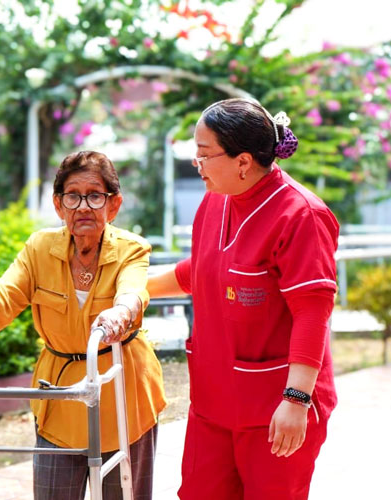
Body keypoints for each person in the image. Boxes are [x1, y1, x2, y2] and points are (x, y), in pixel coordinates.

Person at [0, 150, 166, 500]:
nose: (83, 206)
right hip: (60, 395)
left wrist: (119, 313)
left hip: (124, 395)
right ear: (58, 204)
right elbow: (5, 293)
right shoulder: (39, 248)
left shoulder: (132, 249)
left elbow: (132, 291)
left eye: (95, 195)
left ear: (113, 205)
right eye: (72, 195)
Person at [148, 98, 339, 499]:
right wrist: (136, 289)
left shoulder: (300, 215)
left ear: (243, 161)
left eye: (203, 154)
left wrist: (297, 399)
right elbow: (201, 270)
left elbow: (312, 312)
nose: (196, 164)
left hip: (275, 405)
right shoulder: (215, 200)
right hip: (213, 401)